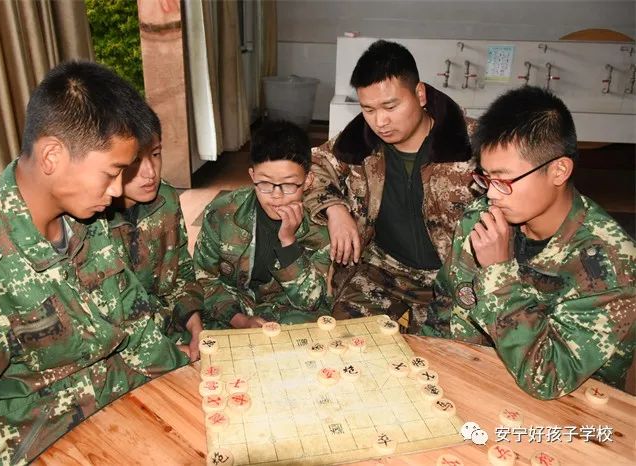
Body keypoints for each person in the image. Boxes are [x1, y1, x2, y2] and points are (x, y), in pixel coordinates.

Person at [0, 61, 190, 464]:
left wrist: (184, 381)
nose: (118, 190)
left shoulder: (86, 216)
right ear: (52, 155)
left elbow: (136, 324)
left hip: (121, 413)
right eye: (112, 172)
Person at [421, 86, 635, 399]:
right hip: (471, 378)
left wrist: (498, 273)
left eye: (504, 180)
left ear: (559, 170)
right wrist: (427, 363)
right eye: (486, 178)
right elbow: (446, 300)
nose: (491, 194)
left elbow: (550, 377)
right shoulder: (482, 217)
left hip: (566, 407)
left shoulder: (610, 262)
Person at [303, 40, 477, 330]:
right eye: (368, 109)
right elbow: (314, 164)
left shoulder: (473, 144)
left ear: (420, 94)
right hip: (382, 270)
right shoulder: (359, 142)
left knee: (445, 356)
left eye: (391, 106)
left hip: (453, 279)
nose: (380, 121)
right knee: (343, 340)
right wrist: (335, 209)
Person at [194, 120, 331, 329]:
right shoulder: (222, 212)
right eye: (265, 183)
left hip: (287, 311)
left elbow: (311, 301)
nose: (276, 195)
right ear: (252, 176)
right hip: (232, 308)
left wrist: (288, 243)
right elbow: (204, 279)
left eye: (288, 184)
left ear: (308, 180)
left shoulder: (319, 227)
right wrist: (239, 320)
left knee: (314, 329)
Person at [108, 109, 204, 361]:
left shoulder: (166, 199)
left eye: (156, 154)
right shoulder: (90, 221)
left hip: (169, 326)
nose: (150, 172)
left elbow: (182, 273)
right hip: (124, 350)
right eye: (135, 160)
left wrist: (196, 326)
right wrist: (167, 354)